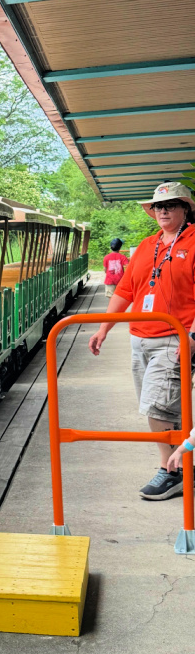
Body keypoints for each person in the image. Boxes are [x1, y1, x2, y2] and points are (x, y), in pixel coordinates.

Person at [88, 182, 195, 500]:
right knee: (166, 408)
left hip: (174, 339)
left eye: (171, 205)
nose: (163, 211)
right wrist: (103, 328)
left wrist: (192, 337)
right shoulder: (147, 246)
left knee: (157, 407)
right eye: (158, 206)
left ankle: (169, 472)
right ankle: (184, 465)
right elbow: (125, 291)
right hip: (140, 339)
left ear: (185, 209)